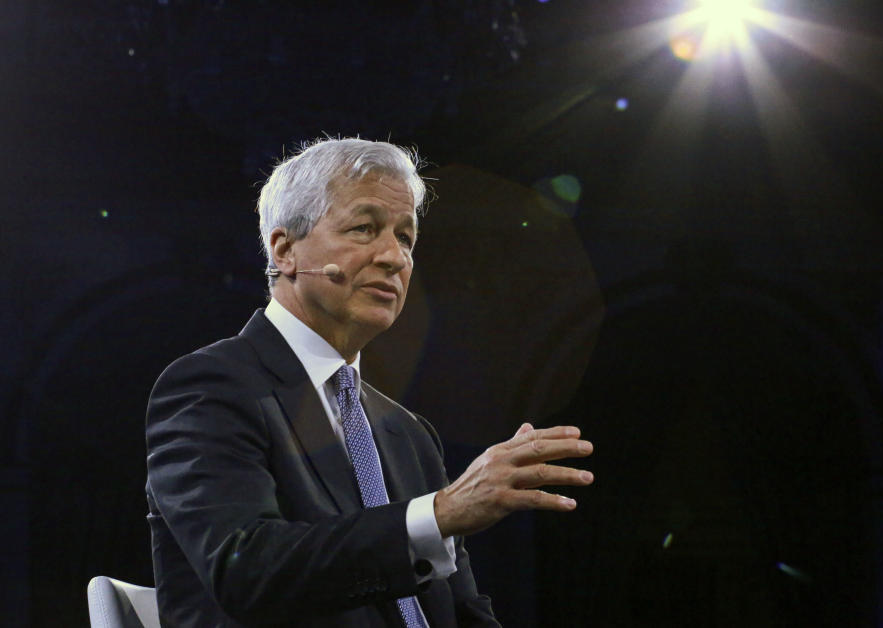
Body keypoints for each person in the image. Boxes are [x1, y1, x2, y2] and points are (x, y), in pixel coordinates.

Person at [144, 138, 594, 627]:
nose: (395, 258)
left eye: (405, 238)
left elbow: (462, 612)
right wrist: (437, 514)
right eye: (364, 229)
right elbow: (247, 571)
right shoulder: (212, 386)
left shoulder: (410, 435)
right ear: (285, 250)